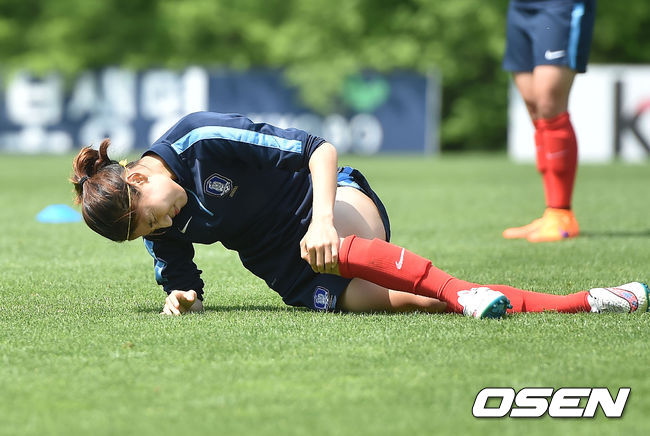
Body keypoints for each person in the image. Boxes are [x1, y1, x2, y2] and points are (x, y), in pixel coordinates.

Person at [70, 111, 647, 318]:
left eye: (151, 219)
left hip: (330, 203)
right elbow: (178, 272)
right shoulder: (152, 218)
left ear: (139, 178)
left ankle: (468, 293)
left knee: (335, 250)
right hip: (288, 269)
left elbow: (318, 149)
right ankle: (595, 300)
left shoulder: (198, 137)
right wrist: (183, 296)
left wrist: (321, 220)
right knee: (424, 302)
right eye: (149, 232)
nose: (162, 228)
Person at [502, 0, 596, 242]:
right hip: (520, 7)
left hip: (559, 6)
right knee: (534, 105)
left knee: (549, 104)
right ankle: (551, 213)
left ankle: (562, 213)